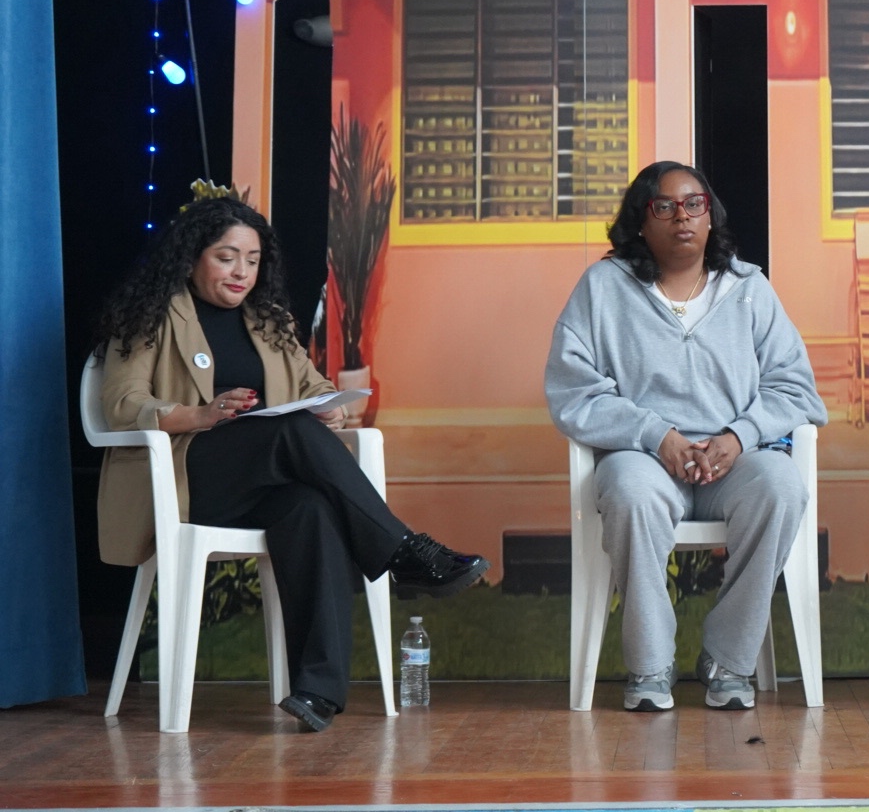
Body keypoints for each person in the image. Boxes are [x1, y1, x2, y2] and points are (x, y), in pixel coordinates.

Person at [97, 197, 490, 733]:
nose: (241, 272)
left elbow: (314, 387)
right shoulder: (152, 313)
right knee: (289, 431)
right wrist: (200, 414)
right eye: (226, 257)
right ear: (191, 259)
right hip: (187, 478)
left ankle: (317, 692)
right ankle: (403, 550)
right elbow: (120, 404)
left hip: (260, 482)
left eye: (252, 260)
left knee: (310, 508)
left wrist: (330, 409)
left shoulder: (268, 321)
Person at [545, 161, 827, 712]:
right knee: (630, 492)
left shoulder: (749, 288)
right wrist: (657, 436)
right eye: (665, 206)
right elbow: (572, 391)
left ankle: (728, 659)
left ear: (710, 216)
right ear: (641, 220)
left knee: (781, 487)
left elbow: (795, 388)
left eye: (694, 204)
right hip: (644, 458)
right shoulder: (603, 288)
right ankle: (651, 665)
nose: (682, 217)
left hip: (735, 462)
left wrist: (739, 437)